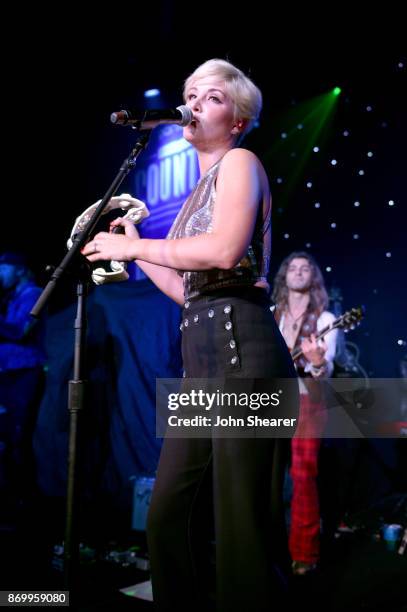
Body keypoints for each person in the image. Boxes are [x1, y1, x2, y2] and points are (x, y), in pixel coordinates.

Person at [83, 58, 298, 612]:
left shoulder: (242, 161)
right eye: (190, 94)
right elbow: (188, 290)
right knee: (167, 517)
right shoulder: (195, 196)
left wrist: (135, 248)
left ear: (237, 120)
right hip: (203, 357)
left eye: (212, 96)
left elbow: (225, 252)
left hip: (245, 348)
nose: (195, 102)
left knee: (242, 528)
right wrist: (130, 242)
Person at [272, 252, 338, 575]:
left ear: (313, 277)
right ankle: (265, 547)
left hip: (307, 402)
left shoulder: (326, 321)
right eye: (293, 268)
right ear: (284, 276)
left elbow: (325, 371)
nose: (298, 272)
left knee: (302, 477)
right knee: (265, 475)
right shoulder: (271, 316)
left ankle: (305, 554)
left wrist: (316, 361)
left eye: (305, 268)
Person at [0, 251, 46, 514]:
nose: (0, 275)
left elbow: (21, 331)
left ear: (18, 269)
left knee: (19, 437)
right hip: (8, 373)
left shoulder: (33, 294)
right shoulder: (11, 297)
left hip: (24, 374)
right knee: (6, 437)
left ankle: (24, 502)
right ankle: (9, 498)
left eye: (3, 269)